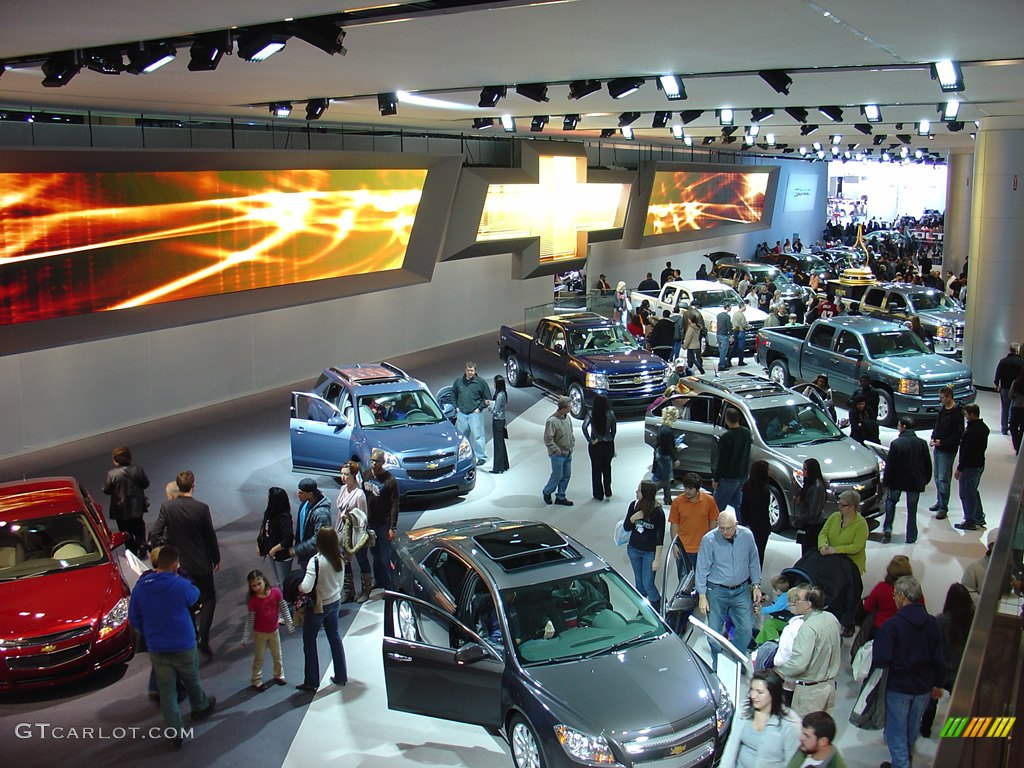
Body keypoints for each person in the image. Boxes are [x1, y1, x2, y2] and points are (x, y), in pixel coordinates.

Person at [128, 545, 216, 750]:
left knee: (167, 691)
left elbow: (134, 618)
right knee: (192, 679)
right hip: (183, 643)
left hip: (158, 648)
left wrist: (149, 632)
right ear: (175, 564)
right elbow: (195, 596)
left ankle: (175, 732)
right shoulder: (180, 585)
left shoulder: (141, 587)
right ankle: (200, 707)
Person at [873, 576, 945, 768]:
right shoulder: (932, 623)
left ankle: (901, 764)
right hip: (923, 687)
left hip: (899, 686)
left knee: (895, 731)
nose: (894, 598)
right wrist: (938, 684)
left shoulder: (892, 625)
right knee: (912, 729)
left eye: (895, 594)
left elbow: (881, 659)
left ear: (903, 597)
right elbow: (938, 657)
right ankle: (904, 760)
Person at [149, 470, 221, 657]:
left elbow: (155, 534)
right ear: (193, 485)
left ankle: (193, 634)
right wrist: (216, 557)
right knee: (209, 598)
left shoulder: (167, 507)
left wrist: (163, 554)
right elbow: (210, 536)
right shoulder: (202, 508)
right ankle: (203, 639)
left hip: (180, 565)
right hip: (201, 562)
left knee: (186, 600)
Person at [696, 511, 762, 656]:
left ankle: (736, 658)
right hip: (716, 591)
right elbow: (701, 568)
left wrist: (756, 585)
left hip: (741, 590)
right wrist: (702, 595)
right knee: (714, 631)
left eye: (729, 528)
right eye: (721, 528)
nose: (725, 531)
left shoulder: (747, 536)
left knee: (746, 628)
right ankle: (717, 662)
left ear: (736, 525)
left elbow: (753, 561)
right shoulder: (709, 540)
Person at [774, 585, 841, 716]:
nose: (794, 602)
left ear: (809, 604)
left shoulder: (807, 628)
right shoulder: (831, 618)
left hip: (810, 693)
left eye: (797, 599)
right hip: (830, 686)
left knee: (803, 730)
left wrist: (779, 672)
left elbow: (799, 663)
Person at [295, 527, 348, 692]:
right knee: (335, 637)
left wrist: (298, 585)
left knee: (310, 641)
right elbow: (340, 583)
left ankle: (311, 681)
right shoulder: (339, 558)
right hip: (335, 601)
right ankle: (341, 675)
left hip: (318, 606)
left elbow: (306, 586)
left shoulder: (315, 562)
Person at [920, 583, 975, 738]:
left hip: (941, 669)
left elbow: (934, 648)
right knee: (959, 704)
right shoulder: (973, 621)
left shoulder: (941, 621)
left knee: (932, 701)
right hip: (963, 669)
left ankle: (926, 729)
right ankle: (955, 733)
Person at [719, 669, 801, 768]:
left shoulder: (790, 723)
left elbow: (792, 763)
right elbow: (731, 746)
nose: (753, 696)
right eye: (752, 690)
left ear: (773, 693)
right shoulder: (744, 709)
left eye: (760, 692)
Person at [240, 569, 293, 690]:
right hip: (260, 634)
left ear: (264, 580)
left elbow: (284, 608)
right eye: (253, 585)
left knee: (277, 655)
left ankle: (279, 674)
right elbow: (250, 620)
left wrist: (289, 623)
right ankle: (256, 679)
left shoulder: (275, 592)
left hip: (274, 631)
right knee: (259, 658)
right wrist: (245, 637)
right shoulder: (253, 601)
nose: (257, 587)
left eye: (259, 583)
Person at [882, 417, 932, 544]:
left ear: (903, 427)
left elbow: (890, 466)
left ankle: (887, 529)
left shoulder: (896, 444)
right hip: (915, 481)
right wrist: (925, 479)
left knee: (891, 501)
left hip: (897, 480)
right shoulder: (922, 443)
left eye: (898, 425)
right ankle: (911, 536)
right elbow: (927, 464)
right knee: (912, 509)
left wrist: (886, 482)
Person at [274, 477, 332, 575]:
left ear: (310, 494)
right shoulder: (305, 504)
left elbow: (319, 539)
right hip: (305, 555)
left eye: (301, 492)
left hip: (314, 557)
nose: (297, 494)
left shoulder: (321, 513)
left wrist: (295, 550)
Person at [623, 480, 665, 608]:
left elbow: (660, 538)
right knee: (639, 583)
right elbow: (626, 527)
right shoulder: (634, 506)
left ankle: (658, 607)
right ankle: (642, 609)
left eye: (639, 490)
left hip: (649, 553)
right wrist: (633, 518)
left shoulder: (658, 512)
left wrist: (657, 560)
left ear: (646, 494)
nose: (636, 492)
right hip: (633, 549)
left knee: (648, 583)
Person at [102, 445, 150, 557]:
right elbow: (145, 484)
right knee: (139, 525)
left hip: (120, 508)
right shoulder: (138, 469)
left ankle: (131, 549)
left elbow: (106, 490)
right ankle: (141, 543)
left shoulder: (112, 474)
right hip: (137, 506)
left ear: (115, 460)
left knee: (124, 529)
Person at [362, 448, 399, 591]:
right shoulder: (366, 475)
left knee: (385, 557)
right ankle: (379, 581)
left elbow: (395, 505)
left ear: (383, 462)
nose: (373, 463)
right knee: (375, 555)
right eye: (372, 460)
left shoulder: (390, 481)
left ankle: (390, 586)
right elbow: (363, 496)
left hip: (384, 523)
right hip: (370, 523)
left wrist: (392, 527)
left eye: (377, 461)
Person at [669, 472, 719, 577]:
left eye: (690, 489)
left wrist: (711, 544)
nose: (687, 491)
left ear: (697, 489)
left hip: (702, 548)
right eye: (685, 488)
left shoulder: (709, 501)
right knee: (683, 581)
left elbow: (713, 522)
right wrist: (674, 545)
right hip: (683, 549)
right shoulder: (677, 502)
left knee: (702, 579)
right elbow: (674, 524)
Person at [335, 461, 371, 603]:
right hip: (343, 529)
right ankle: (349, 591)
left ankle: (366, 589)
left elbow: (363, 517)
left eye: (346, 474)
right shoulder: (343, 489)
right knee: (344, 560)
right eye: (342, 474)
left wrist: (349, 517)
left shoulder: (359, 494)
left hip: (356, 531)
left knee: (362, 559)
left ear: (354, 475)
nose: (343, 477)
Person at [929, 386, 964, 520]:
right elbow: (937, 425)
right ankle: (940, 501)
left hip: (947, 450)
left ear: (949, 397)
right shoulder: (943, 410)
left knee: (944, 478)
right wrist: (933, 438)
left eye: (942, 398)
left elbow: (957, 434)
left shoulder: (957, 413)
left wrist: (942, 442)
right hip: (938, 447)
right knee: (937, 477)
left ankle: (944, 507)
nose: (940, 400)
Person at [954, 403, 990, 530]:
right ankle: (978, 517)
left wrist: (959, 469)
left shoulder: (971, 432)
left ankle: (970, 521)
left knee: (966, 493)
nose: (965, 417)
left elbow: (967, 453)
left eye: (966, 414)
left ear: (972, 414)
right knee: (973, 491)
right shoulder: (984, 428)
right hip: (979, 464)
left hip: (970, 467)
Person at [818, 489, 868, 574]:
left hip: (851, 565)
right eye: (839, 504)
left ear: (852, 507)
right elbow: (823, 533)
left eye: (843, 505)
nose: (839, 507)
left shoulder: (861, 524)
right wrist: (822, 546)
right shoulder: (834, 516)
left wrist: (835, 550)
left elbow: (856, 547)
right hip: (832, 561)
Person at [864, 555, 915, 637]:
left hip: (880, 629)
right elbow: (920, 611)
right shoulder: (914, 591)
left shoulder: (881, 587)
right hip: (904, 632)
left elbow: (867, 607)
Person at [452, 361, 492, 466]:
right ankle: (464, 456)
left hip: (475, 414)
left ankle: (481, 456)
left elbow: (488, 398)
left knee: (478, 436)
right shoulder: (458, 381)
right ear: (465, 370)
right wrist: (456, 407)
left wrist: (479, 408)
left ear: (475, 371)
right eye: (468, 370)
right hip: (462, 414)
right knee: (462, 437)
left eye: (472, 370)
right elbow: (453, 393)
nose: (470, 372)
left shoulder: (481, 382)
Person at [713, 407, 751, 515]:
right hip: (742, 475)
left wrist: (716, 479)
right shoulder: (746, 433)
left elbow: (722, 461)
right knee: (738, 504)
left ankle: (715, 528)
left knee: (717, 506)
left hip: (728, 477)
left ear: (726, 419)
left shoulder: (727, 437)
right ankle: (742, 526)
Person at [257, 486, 294, 588]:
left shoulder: (284, 518)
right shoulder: (269, 513)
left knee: (284, 583)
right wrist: (260, 544)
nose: (266, 499)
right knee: (278, 581)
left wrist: (274, 550)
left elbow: (288, 539)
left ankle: (286, 602)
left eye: (269, 497)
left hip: (282, 556)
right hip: (272, 553)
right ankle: (281, 601)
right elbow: (264, 528)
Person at [541, 396, 575, 506]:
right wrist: (557, 450)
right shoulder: (552, 421)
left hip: (568, 452)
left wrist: (572, 443)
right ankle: (547, 491)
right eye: (569, 406)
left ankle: (560, 496)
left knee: (566, 475)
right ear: (564, 408)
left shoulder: (568, 418)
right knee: (557, 475)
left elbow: (571, 433)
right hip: (558, 455)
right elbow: (548, 439)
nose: (571, 408)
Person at [581, 393, 615, 501]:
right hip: (608, 445)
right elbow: (614, 430)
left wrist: (590, 440)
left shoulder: (591, 414)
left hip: (595, 446)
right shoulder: (611, 414)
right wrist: (610, 439)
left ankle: (598, 494)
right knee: (607, 468)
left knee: (596, 469)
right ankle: (608, 490)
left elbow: (584, 427)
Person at [793, 458, 826, 556]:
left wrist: (798, 522)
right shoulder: (809, 483)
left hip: (813, 526)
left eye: (805, 469)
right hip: (806, 523)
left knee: (809, 553)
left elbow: (813, 512)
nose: (803, 471)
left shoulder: (817, 486)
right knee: (805, 552)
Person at [741, 460, 772, 567]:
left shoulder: (746, 486)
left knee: (748, 554)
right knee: (759, 554)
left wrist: (746, 524)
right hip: (761, 528)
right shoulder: (765, 491)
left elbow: (743, 507)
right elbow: (762, 511)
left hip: (748, 526)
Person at [994, 343, 1024, 435]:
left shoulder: (1003, 361)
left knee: (1005, 408)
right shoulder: (1021, 362)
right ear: (1017, 350)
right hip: (1017, 389)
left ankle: (1004, 428)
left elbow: (998, 374)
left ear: (1010, 350)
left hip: (1005, 387)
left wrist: (997, 383)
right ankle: (1012, 426)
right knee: (1014, 408)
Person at [961, 529, 998, 604]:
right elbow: (966, 589)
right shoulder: (975, 567)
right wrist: (983, 602)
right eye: (995, 545)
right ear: (990, 546)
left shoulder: (1011, 567)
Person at [654, 406, 679, 505]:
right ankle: (649, 492)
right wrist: (675, 459)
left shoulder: (662, 428)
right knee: (665, 480)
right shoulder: (667, 431)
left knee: (664, 478)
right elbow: (668, 447)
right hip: (665, 457)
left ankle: (667, 498)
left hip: (660, 455)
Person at [491, 374, 509, 474]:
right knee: (501, 443)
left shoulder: (500, 395)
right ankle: (504, 465)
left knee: (498, 444)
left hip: (497, 420)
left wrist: (489, 404)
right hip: (501, 420)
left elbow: (495, 410)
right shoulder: (503, 394)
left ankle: (498, 468)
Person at [683, 307, 706, 374]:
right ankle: (688, 370)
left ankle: (701, 369)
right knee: (691, 359)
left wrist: (684, 346)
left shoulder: (691, 328)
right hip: (697, 344)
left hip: (691, 346)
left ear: (690, 320)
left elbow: (688, 338)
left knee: (692, 359)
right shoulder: (697, 327)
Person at [731, 302, 751, 367]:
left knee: (735, 347)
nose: (745, 308)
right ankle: (741, 361)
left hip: (735, 332)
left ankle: (728, 359)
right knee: (741, 348)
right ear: (742, 307)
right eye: (745, 307)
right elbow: (743, 324)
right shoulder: (741, 315)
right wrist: (749, 326)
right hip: (741, 332)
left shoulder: (735, 314)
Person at [716, 302, 734, 371]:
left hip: (718, 334)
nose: (731, 308)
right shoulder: (727, 316)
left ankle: (721, 362)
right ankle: (722, 365)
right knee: (724, 351)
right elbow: (729, 327)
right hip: (724, 335)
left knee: (721, 350)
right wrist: (731, 336)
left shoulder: (718, 315)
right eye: (730, 307)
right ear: (727, 307)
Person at [1011, 368, 1024, 454]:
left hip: (1017, 407)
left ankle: (1017, 446)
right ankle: (1020, 447)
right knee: (1022, 429)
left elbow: (1010, 395)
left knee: (1013, 427)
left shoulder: (1016, 382)